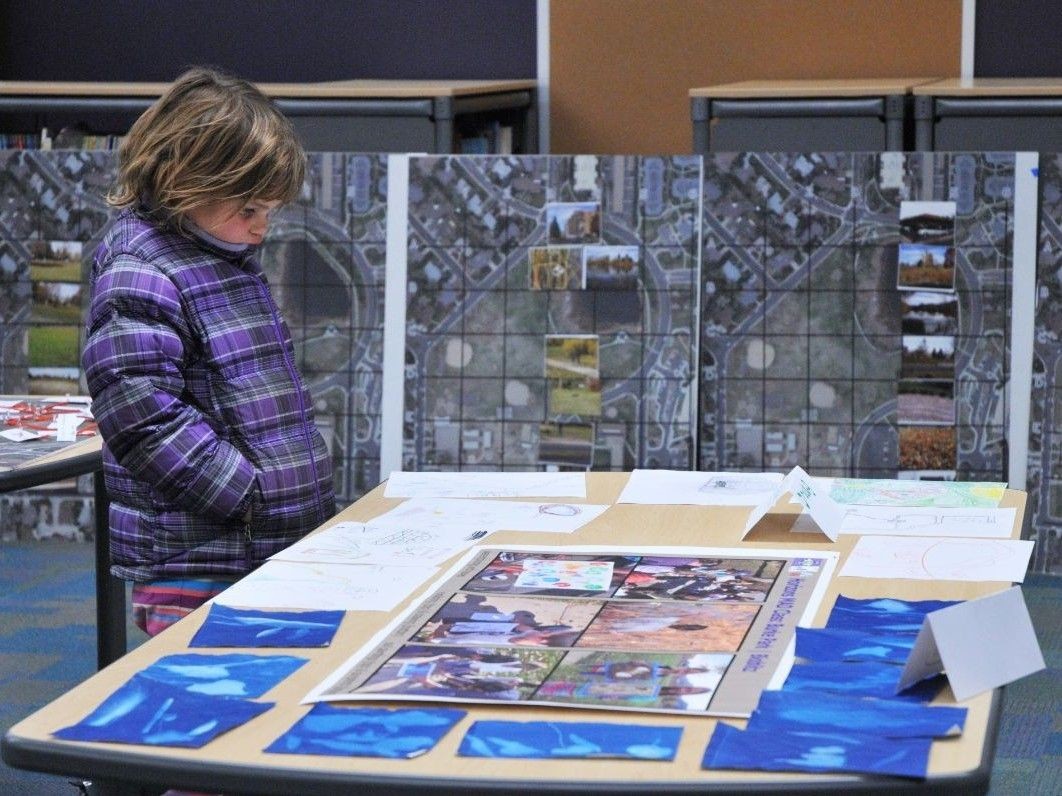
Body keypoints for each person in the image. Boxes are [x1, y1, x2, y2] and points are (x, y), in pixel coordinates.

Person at [82, 66, 335, 637]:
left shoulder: (218, 257)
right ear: (183, 178)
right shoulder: (140, 271)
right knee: (203, 695)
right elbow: (141, 414)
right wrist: (247, 494)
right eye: (248, 210)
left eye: (269, 212)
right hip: (197, 560)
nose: (261, 229)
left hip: (255, 544)